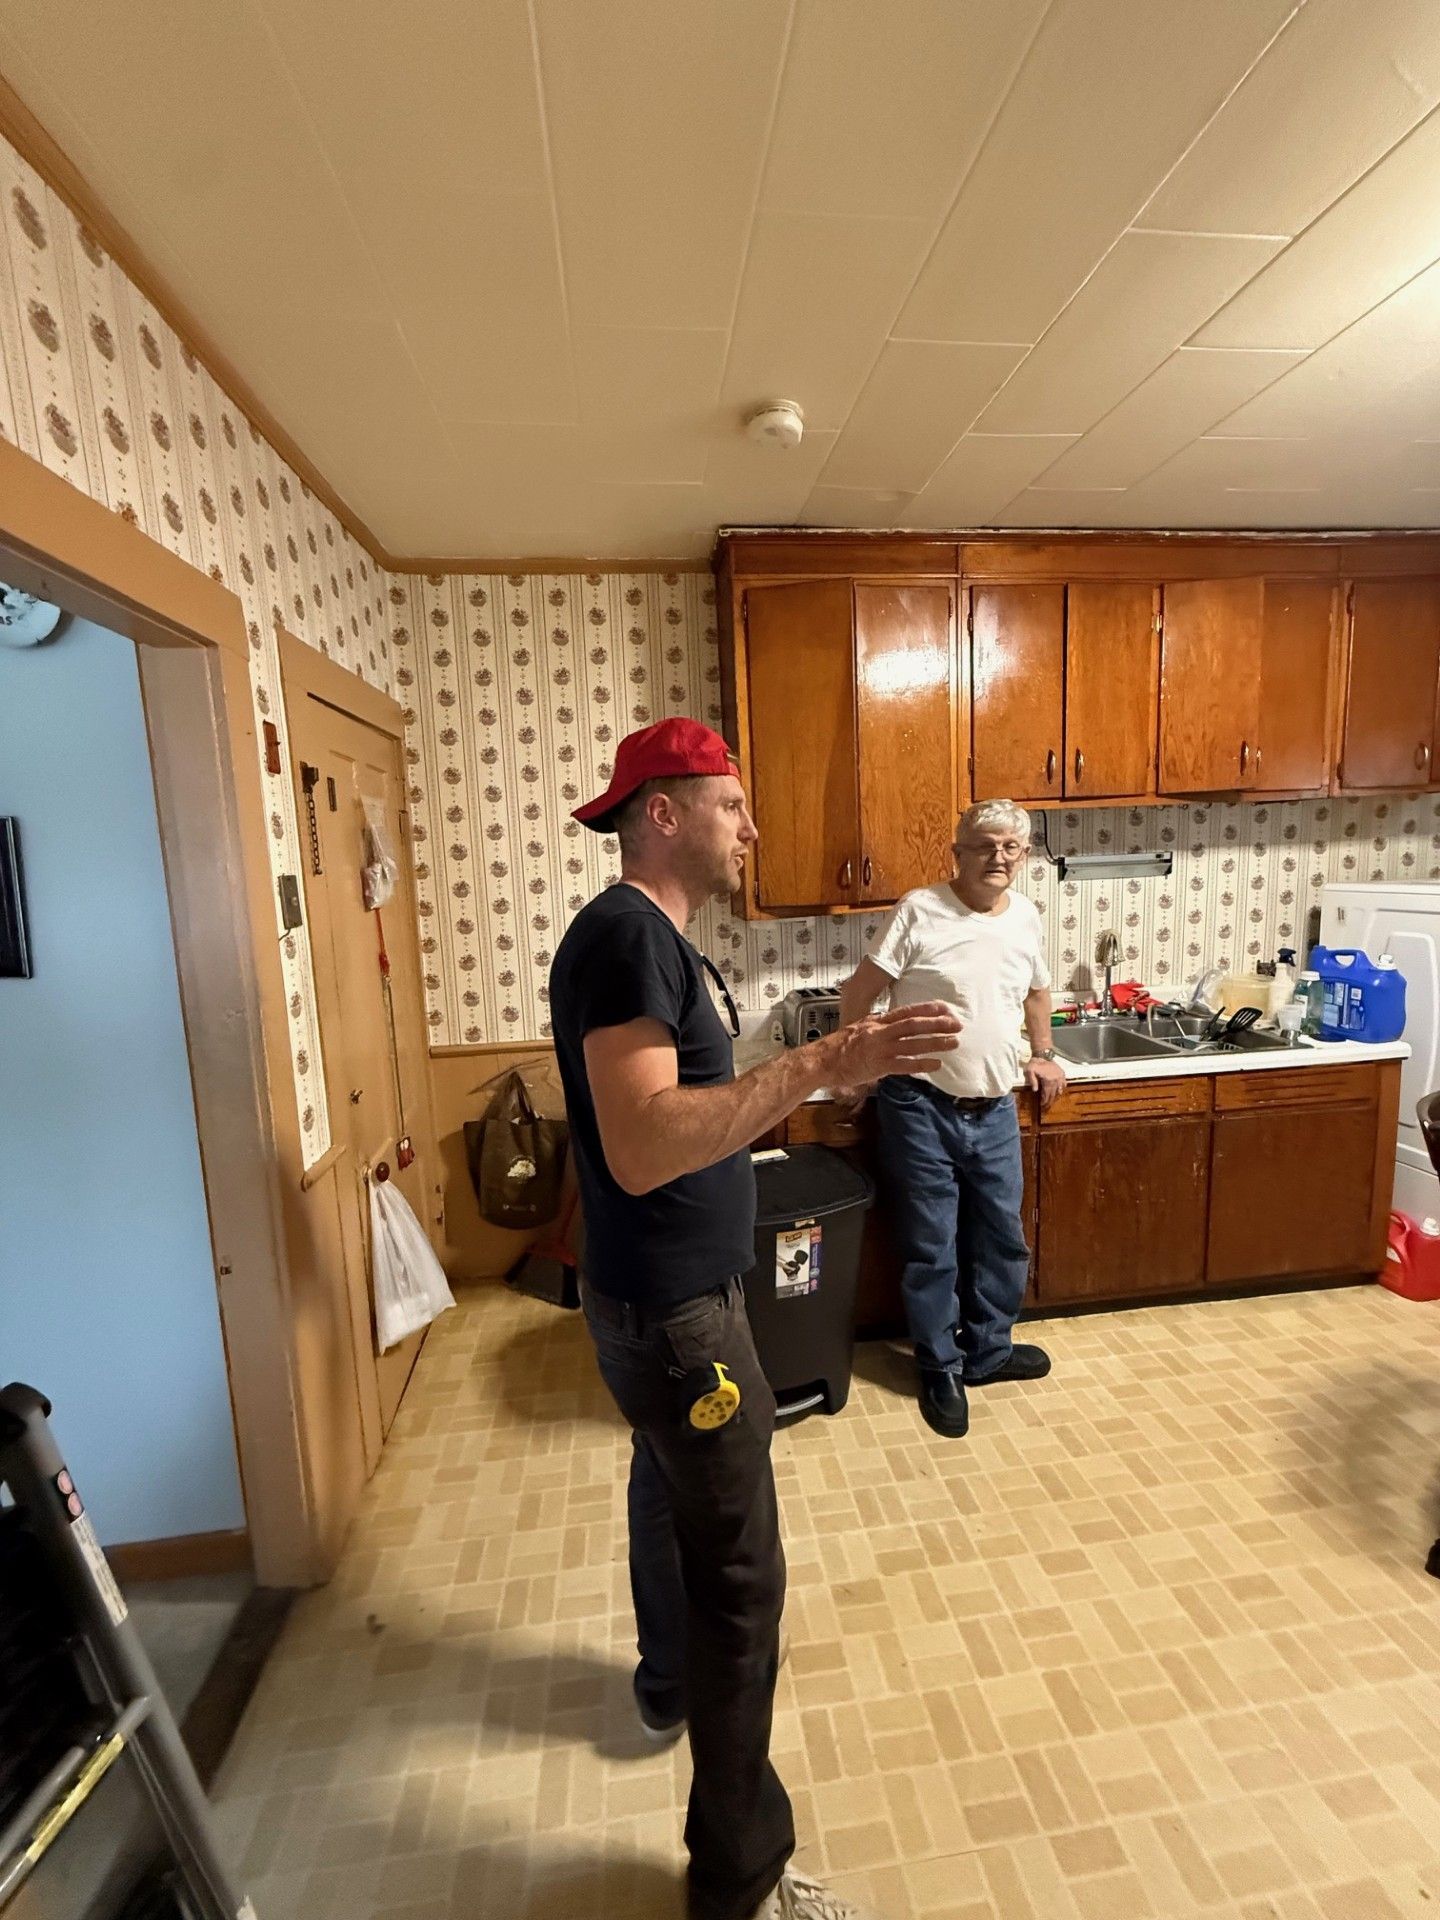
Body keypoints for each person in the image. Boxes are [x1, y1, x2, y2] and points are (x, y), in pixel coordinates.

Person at [549, 717, 960, 1920]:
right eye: (733, 805)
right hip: (678, 1321)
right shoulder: (628, 939)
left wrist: (804, 1076)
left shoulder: (655, 944)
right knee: (743, 1582)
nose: (754, 828)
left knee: (664, 1493)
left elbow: (695, 1116)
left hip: (662, 1303)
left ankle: (665, 1681)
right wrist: (828, 1061)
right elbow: (642, 1145)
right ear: (663, 813)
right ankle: (740, 1877)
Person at [838, 800, 1066, 1440]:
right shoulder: (921, 909)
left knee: (1001, 1237)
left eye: (1013, 848)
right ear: (958, 853)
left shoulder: (1026, 917)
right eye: (987, 845)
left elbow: (1035, 991)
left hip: (994, 1107)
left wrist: (1044, 1053)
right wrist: (853, 1069)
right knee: (931, 1245)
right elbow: (861, 991)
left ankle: (988, 1352)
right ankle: (939, 1366)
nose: (1000, 857)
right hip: (919, 1104)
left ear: (1024, 856)